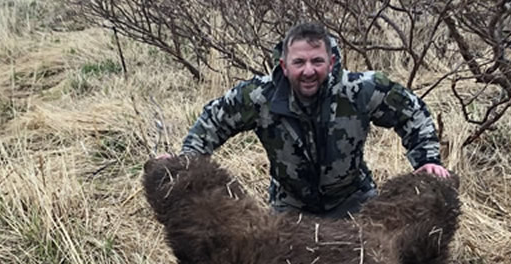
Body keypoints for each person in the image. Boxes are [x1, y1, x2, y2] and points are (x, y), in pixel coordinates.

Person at [177, 21, 450, 218]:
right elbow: (213, 121)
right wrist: (186, 162)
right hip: (291, 206)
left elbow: (411, 111)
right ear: (284, 66)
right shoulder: (258, 96)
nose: (309, 71)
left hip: (355, 201)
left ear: (331, 62)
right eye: (299, 63)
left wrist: (427, 159)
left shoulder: (361, 89)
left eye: (317, 61)